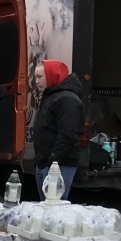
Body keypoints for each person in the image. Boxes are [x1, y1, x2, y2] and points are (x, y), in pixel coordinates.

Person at [32, 59, 86, 197]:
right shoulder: (50, 96)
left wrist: (53, 160)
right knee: (45, 207)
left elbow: (68, 134)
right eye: (35, 77)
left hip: (59, 165)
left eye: (39, 77)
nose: (36, 81)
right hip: (45, 162)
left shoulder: (67, 99)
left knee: (54, 208)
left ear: (51, 75)